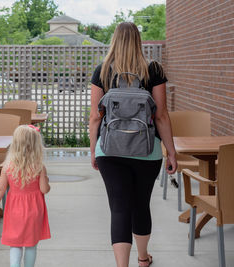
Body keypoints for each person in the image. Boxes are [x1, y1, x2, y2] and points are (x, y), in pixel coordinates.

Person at [89, 22, 177, 267]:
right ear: (138, 41)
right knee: (140, 204)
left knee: (119, 208)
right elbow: (161, 115)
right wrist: (171, 152)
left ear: (114, 40)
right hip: (146, 150)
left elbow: (95, 117)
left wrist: (94, 150)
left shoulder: (103, 71)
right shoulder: (153, 70)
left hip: (110, 150)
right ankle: (142, 258)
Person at [0, 124, 51, 267]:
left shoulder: (8, 166)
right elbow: (44, 189)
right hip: (34, 210)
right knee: (31, 244)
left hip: (14, 210)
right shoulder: (39, 166)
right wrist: (47, 181)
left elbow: (0, 189)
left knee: (15, 244)